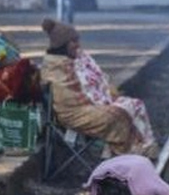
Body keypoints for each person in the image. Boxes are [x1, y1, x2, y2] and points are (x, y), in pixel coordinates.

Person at [40, 18, 158, 158]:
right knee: (118, 115)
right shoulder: (56, 68)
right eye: (73, 41)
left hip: (89, 107)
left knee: (135, 105)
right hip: (74, 114)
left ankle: (140, 150)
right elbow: (71, 99)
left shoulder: (74, 59)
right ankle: (126, 156)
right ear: (62, 45)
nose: (78, 45)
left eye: (77, 40)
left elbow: (92, 81)